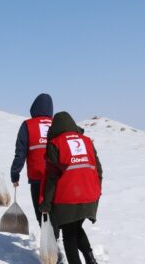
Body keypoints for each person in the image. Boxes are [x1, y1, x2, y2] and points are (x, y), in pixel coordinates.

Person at [39, 112, 102, 264]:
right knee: (76, 227)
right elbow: (98, 169)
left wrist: (46, 202)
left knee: (69, 233)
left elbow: (52, 177)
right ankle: (90, 259)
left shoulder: (55, 144)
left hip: (67, 196)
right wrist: (97, 190)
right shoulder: (87, 141)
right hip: (90, 195)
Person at [10, 93, 53, 223]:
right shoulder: (57, 123)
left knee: (41, 214)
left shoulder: (28, 125)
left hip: (37, 177)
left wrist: (15, 174)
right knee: (54, 212)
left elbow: (20, 152)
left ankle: (50, 240)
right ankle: (55, 237)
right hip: (56, 178)